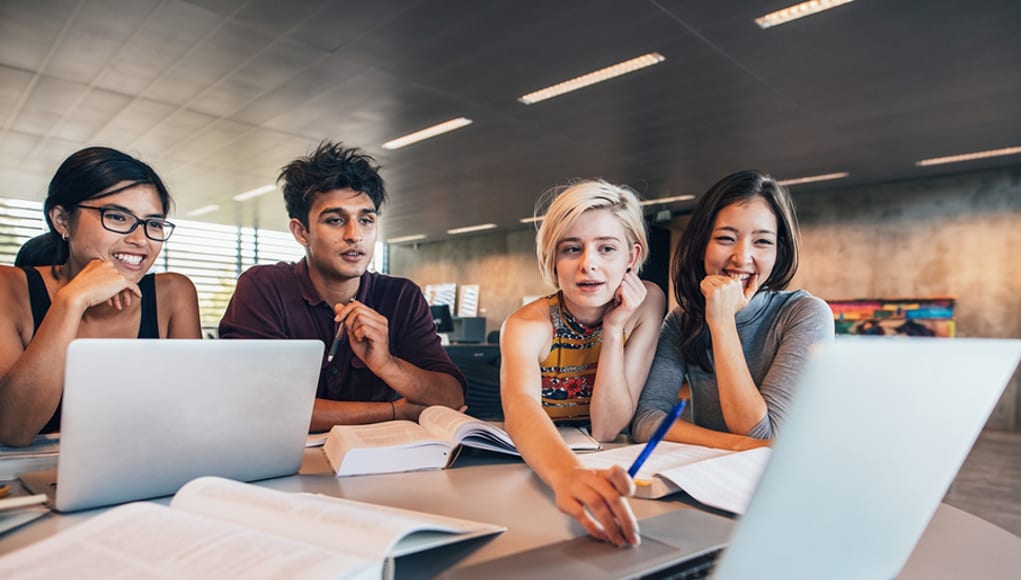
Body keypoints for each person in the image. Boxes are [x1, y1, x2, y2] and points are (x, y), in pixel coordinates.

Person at [218, 141, 466, 433]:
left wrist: (387, 364)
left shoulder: (401, 296)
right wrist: (394, 412)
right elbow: (260, 405)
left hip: (383, 465)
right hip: (290, 464)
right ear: (301, 232)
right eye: (335, 220)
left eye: (366, 220)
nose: (354, 235)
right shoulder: (264, 287)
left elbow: (452, 397)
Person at [500, 179, 666, 547]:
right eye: (572, 249)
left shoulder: (647, 304)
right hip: (538, 468)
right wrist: (567, 475)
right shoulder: (526, 325)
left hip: (608, 464)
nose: (588, 264)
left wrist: (613, 329)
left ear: (631, 258)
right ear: (552, 259)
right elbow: (520, 406)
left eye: (607, 248)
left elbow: (607, 427)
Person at [0, 146, 202, 446]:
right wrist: (72, 301)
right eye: (118, 217)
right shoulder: (9, 287)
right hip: (36, 477)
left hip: (145, 473)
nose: (140, 240)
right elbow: (13, 430)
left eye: (153, 224)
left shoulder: (173, 294)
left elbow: (195, 417)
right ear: (62, 220)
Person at [632, 170, 834, 451]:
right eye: (726, 238)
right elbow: (647, 420)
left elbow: (761, 431)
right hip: (707, 477)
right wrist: (735, 445)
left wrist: (722, 321)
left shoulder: (805, 314)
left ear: (779, 252)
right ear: (702, 246)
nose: (742, 257)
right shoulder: (681, 320)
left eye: (762, 241)